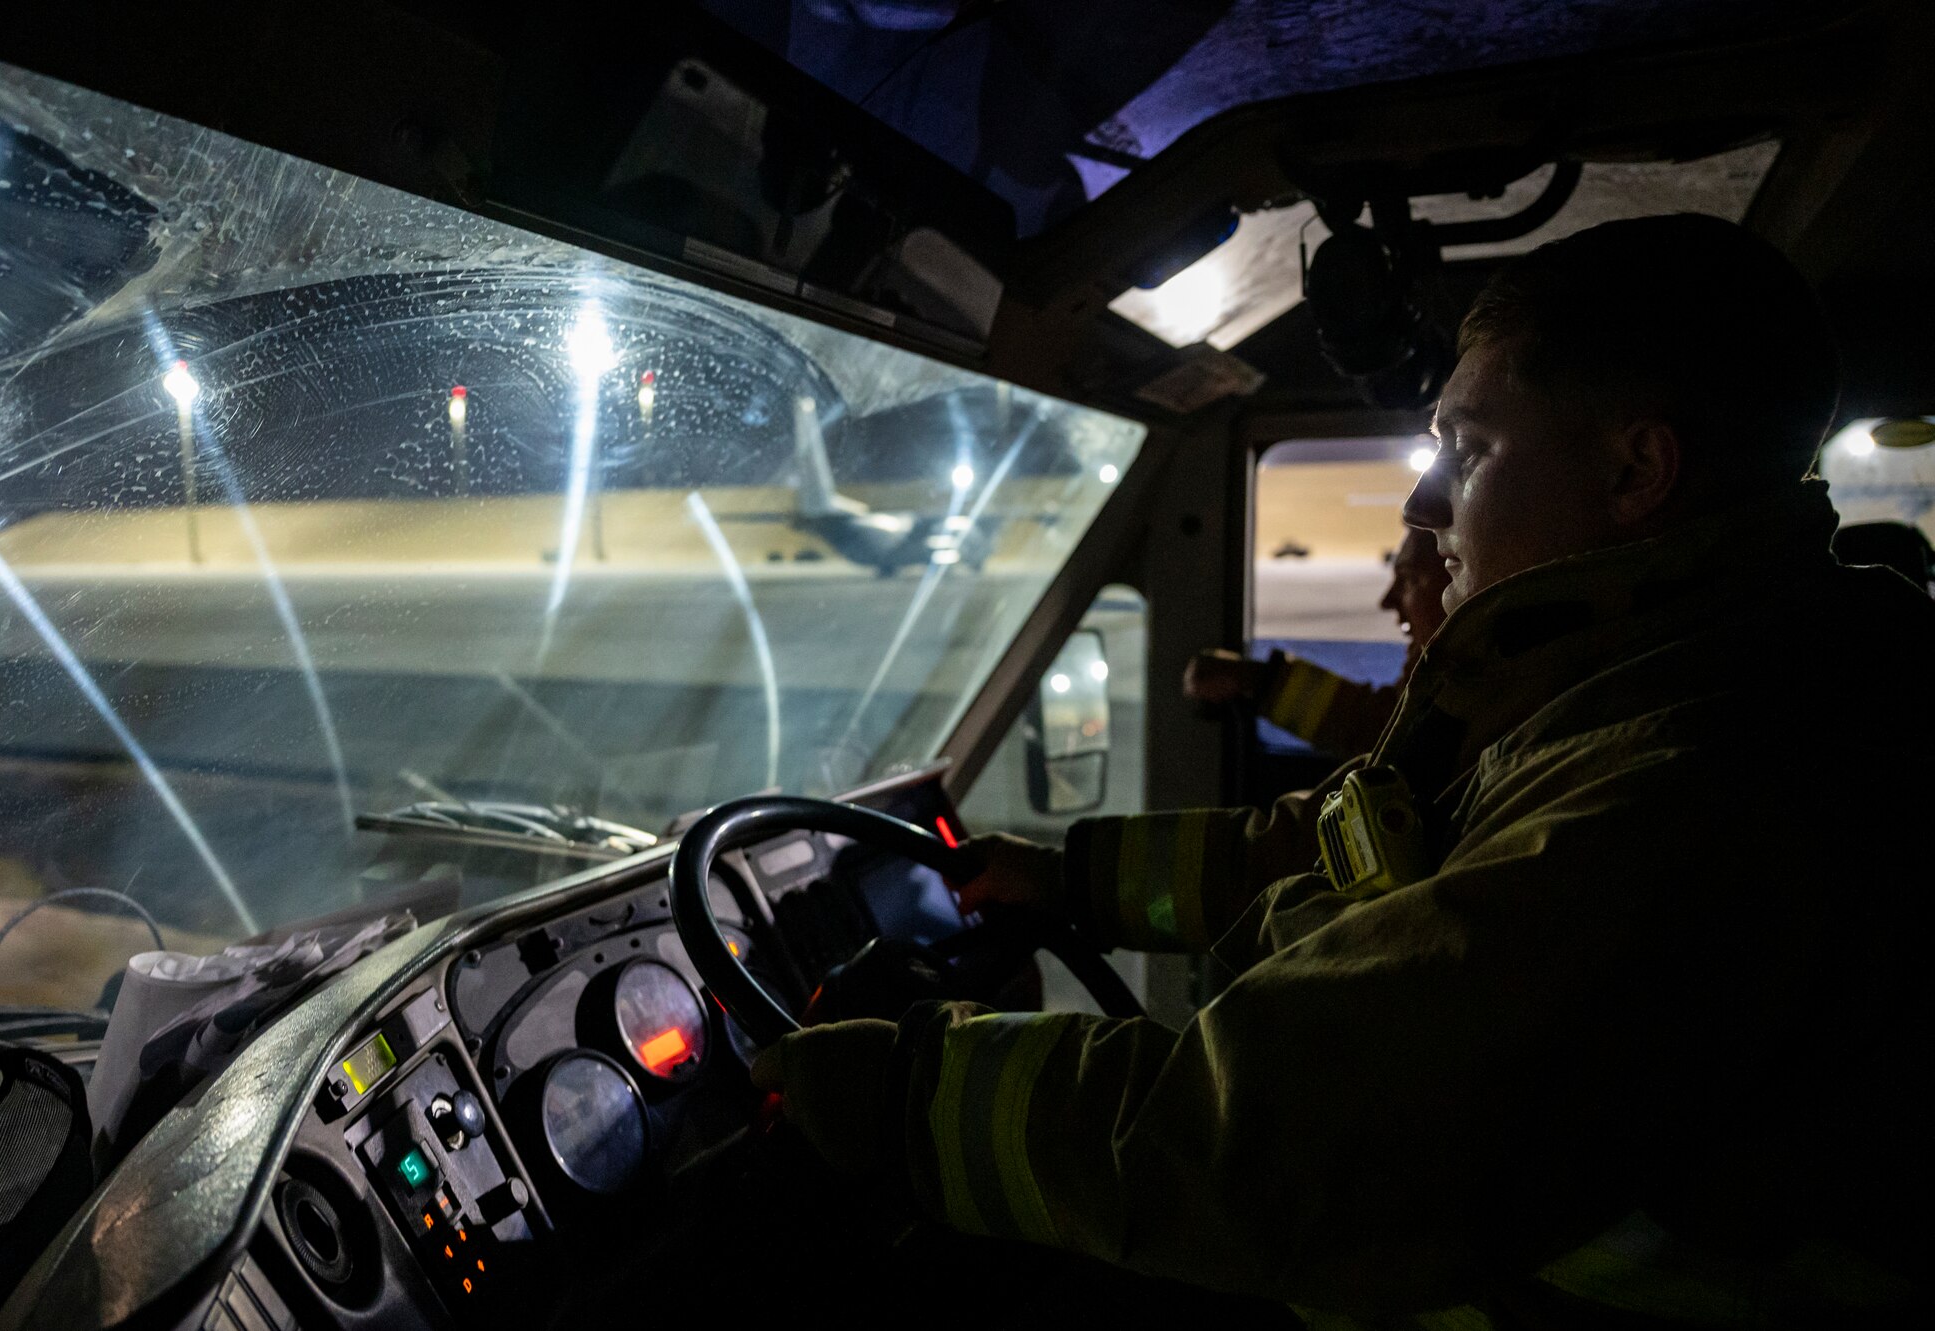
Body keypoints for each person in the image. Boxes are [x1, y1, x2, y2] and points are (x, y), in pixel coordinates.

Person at [754, 215, 1935, 1326]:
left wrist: (905, 1092)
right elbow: (1370, 834)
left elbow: (1283, 1149)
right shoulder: (1622, 683)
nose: (1424, 509)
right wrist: (1075, 880)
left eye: (1467, 451)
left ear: (1636, 473)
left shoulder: (1697, 779)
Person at [1184, 525, 1450, 759]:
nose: (1387, 600)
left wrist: (1258, 680)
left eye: (1408, 578)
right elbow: (1383, 723)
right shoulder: (1447, 672)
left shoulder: (1466, 688)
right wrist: (1256, 680)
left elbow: (1379, 729)